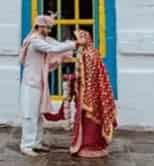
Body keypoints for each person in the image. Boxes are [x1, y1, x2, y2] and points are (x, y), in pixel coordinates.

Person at [17, 15, 79, 157]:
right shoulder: (35, 41)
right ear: (40, 26)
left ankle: (36, 143)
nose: (50, 30)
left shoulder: (43, 39)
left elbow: (56, 45)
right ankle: (26, 145)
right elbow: (53, 49)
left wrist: (72, 45)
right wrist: (74, 44)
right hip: (31, 83)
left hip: (39, 82)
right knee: (30, 115)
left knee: (38, 115)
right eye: (48, 27)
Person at [67, 30, 117, 158]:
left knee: (89, 120)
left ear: (85, 39)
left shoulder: (88, 55)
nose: (77, 41)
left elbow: (88, 77)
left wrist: (74, 79)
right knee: (87, 119)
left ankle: (89, 145)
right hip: (87, 91)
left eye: (79, 38)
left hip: (88, 92)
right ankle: (87, 144)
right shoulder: (88, 52)